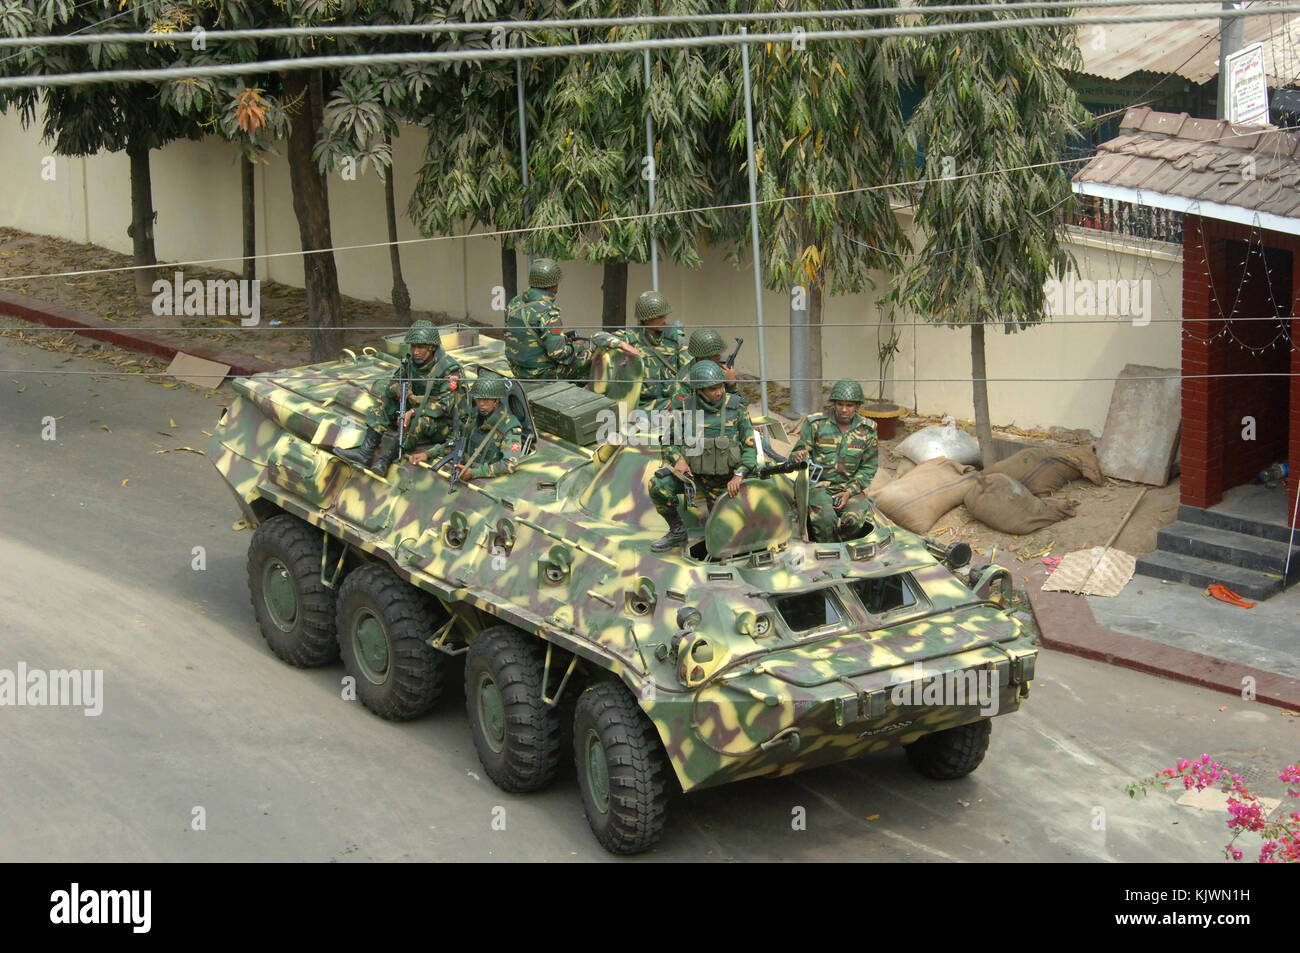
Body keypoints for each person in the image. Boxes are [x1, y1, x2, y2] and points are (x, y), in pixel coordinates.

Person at [647, 360, 756, 552]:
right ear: (699, 390)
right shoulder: (685, 408)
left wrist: (739, 475)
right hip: (694, 477)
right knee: (658, 485)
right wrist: (679, 460)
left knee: (724, 537)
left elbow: (750, 448)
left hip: (724, 481)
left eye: (721, 386)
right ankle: (677, 530)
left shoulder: (736, 409)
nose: (719, 392)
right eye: (712, 389)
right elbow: (668, 441)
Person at [335, 320, 453, 472]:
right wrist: (399, 391)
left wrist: (412, 412)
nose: (415, 351)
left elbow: (445, 407)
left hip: (441, 424)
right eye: (413, 346)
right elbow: (391, 385)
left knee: (418, 422)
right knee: (384, 403)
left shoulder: (449, 370)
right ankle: (365, 453)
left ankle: (386, 460)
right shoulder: (411, 363)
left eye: (421, 347)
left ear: (432, 347)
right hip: (413, 410)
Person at [789, 380, 878, 542]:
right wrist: (798, 456)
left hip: (850, 488)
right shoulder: (816, 424)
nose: (844, 409)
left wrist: (849, 492)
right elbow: (796, 454)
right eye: (840, 404)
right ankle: (829, 554)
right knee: (825, 520)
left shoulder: (867, 430)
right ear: (834, 404)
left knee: (852, 521)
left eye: (849, 405)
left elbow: (868, 468)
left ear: (857, 406)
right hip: (819, 487)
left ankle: (845, 549)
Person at [410, 376, 524, 482]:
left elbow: (509, 465)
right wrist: (429, 453)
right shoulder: (475, 417)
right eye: (478, 399)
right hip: (465, 469)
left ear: (497, 400)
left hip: (487, 479)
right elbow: (458, 443)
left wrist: (474, 473)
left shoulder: (510, 427)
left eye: (487, 399)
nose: (481, 403)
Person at [591, 290, 686, 411]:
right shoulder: (631, 336)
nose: (665, 320)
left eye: (665, 316)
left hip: (671, 403)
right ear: (647, 318)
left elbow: (687, 370)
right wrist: (622, 345)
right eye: (660, 317)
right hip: (642, 406)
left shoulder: (674, 337)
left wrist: (677, 398)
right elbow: (598, 337)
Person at [504, 258, 594, 383]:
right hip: (541, 375)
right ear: (554, 285)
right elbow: (558, 355)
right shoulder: (548, 313)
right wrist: (577, 347)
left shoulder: (515, 302)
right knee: (589, 357)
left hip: (517, 370)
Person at [670, 327, 739, 405]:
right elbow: (682, 411)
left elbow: (737, 406)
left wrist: (732, 384)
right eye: (715, 354)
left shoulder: (718, 369)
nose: (720, 357)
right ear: (703, 358)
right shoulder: (685, 381)